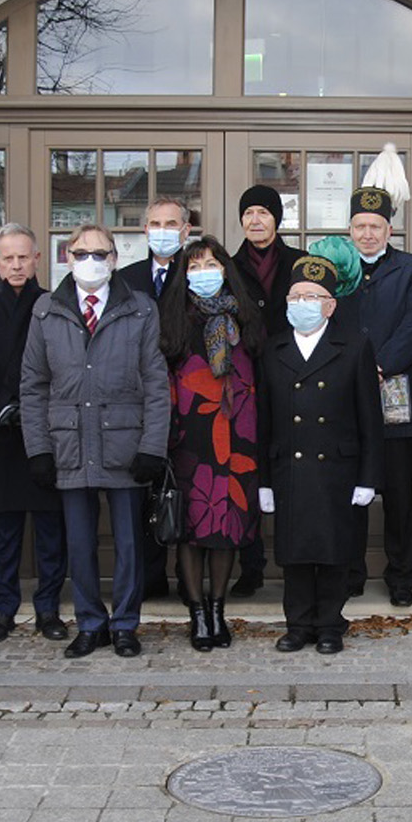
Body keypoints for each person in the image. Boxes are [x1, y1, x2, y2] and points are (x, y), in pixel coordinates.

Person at [21, 224, 170, 659]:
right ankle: (90, 623)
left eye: (100, 253)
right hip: (69, 443)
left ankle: (124, 624)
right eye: (82, 253)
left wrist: (152, 447)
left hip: (124, 443)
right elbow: (33, 385)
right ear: (67, 257)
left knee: (129, 544)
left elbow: (156, 383)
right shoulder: (46, 310)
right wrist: (38, 449)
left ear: (114, 259)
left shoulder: (139, 309)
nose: (91, 261)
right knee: (79, 543)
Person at [259, 255, 383, 654]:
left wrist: (368, 478)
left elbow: (370, 420)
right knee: (294, 551)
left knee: (334, 550)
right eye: (296, 296)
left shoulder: (354, 347)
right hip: (288, 468)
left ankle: (330, 624)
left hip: (337, 469)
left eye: (312, 296)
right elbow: (264, 420)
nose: (303, 303)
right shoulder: (273, 348)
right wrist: (263, 480)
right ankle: (297, 624)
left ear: (330, 305)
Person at [158, 238, 264, 650]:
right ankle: (197, 613)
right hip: (189, 438)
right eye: (195, 266)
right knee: (191, 529)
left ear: (225, 270)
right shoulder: (173, 318)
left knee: (227, 526)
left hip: (238, 438)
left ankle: (218, 609)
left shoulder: (246, 316)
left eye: (211, 264)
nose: (204, 272)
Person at [0, 224, 67, 644]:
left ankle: (48, 607)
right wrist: (0, 405)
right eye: (7, 258)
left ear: (36, 260)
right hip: (0, 432)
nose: (15, 265)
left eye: (23, 257)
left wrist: (29, 406)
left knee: (50, 528)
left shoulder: (54, 305)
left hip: (45, 432)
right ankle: (3, 607)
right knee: (5, 530)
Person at [343, 184, 412, 606]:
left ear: (389, 230)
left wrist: (378, 367)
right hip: (344, 395)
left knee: (398, 491)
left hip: (395, 392)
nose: (367, 234)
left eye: (375, 226)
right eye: (360, 226)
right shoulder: (337, 269)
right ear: (350, 230)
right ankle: (350, 572)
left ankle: (401, 577)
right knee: (350, 489)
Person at [227, 183, 305, 597]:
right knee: (247, 472)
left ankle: (296, 562)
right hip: (244, 383)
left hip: (293, 378)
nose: (255, 221)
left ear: (277, 218)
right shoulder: (228, 266)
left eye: (263, 212)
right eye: (248, 213)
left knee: (293, 470)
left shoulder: (299, 263)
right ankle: (250, 565)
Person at [115, 195, 188, 600]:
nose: (163, 231)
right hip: (137, 402)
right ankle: (150, 575)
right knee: (142, 492)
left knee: (185, 488)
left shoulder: (196, 273)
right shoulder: (126, 279)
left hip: (189, 400)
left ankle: (189, 576)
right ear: (145, 230)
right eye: (156, 224)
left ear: (185, 231)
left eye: (171, 224)